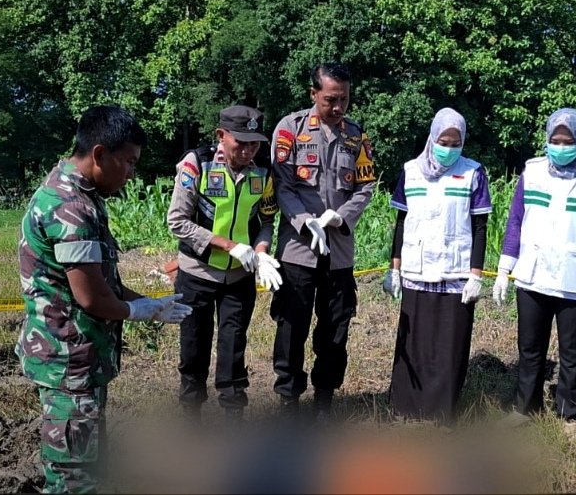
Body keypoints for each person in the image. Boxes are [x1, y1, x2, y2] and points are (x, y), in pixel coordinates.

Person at [17, 106, 191, 493]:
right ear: (99, 154)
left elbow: (102, 280)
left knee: (90, 465)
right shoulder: (70, 208)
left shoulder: (81, 194)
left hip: (80, 360)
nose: (131, 173)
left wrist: (150, 302)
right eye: (128, 162)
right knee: (73, 479)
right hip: (69, 363)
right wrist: (137, 310)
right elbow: (92, 298)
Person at [491, 107, 576, 434]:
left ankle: (571, 414)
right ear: (547, 139)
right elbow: (515, 222)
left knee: (573, 351)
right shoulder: (532, 172)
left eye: (567, 141)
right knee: (530, 347)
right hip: (533, 274)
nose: (560, 146)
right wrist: (504, 269)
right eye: (555, 140)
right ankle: (525, 406)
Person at [269, 63, 377, 421]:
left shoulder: (356, 136)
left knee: (335, 327)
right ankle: (288, 399)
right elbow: (282, 185)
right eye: (331, 99)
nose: (338, 107)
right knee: (291, 326)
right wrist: (304, 221)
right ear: (313, 93)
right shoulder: (291, 129)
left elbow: (365, 186)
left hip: (339, 251)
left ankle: (324, 399)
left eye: (344, 99)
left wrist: (341, 216)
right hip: (298, 249)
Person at [166, 105, 282, 424]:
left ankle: (233, 412)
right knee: (194, 345)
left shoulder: (263, 172)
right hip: (196, 273)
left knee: (233, 345)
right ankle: (191, 412)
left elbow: (266, 220)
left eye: (254, 144)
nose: (247, 151)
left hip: (238, 278)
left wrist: (260, 252)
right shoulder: (197, 164)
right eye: (240, 143)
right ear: (221, 136)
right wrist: (229, 246)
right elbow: (177, 221)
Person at [382, 107, 493, 423]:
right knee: (414, 338)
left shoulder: (473, 173)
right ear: (432, 138)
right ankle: (406, 407)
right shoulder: (410, 171)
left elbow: (480, 226)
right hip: (417, 268)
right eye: (443, 140)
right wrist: (394, 268)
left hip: (455, 270)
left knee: (450, 342)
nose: (448, 148)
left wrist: (476, 274)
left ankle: (441, 411)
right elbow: (401, 222)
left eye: (455, 143)